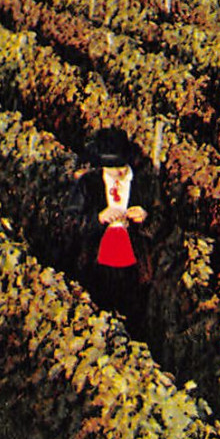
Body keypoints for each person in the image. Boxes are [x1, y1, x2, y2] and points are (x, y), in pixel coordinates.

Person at [76, 126, 153, 331]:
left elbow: (164, 222)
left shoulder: (145, 182)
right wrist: (98, 218)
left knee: (134, 319)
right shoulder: (89, 184)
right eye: (112, 168)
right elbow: (73, 223)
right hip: (98, 264)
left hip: (134, 268)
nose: (119, 172)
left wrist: (145, 218)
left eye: (122, 165)